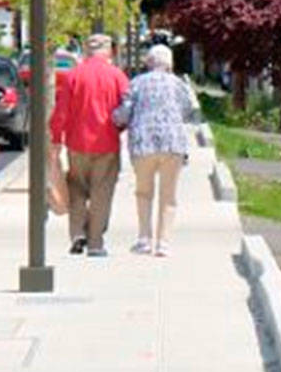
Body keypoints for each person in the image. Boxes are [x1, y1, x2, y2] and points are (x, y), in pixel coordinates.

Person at [49, 33, 130, 257]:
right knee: (101, 193)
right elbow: (128, 107)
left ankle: (77, 233)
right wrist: (123, 129)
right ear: (109, 51)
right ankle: (95, 243)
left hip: (76, 143)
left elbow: (60, 111)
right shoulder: (117, 76)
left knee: (76, 188)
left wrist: (56, 139)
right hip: (107, 143)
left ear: (86, 51)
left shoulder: (73, 75)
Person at [121, 44, 194, 257]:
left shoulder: (136, 83)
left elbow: (125, 111)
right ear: (169, 63)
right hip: (173, 144)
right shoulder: (178, 84)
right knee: (168, 195)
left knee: (144, 192)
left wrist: (116, 120)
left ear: (148, 62)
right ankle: (163, 243)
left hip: (143, 144)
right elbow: (188, 110)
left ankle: (144, 239)